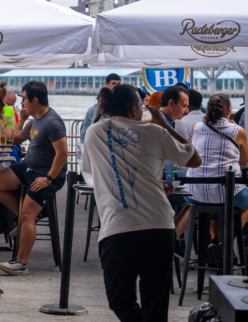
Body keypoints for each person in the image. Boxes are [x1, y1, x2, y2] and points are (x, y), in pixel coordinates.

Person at [82, 84, 201, 322]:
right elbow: (194, 159)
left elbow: (92, 173)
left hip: (118, 227)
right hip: (158, 225)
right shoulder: (156, 132)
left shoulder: (93, 132)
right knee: (155, 304)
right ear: (135, 109)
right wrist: (165, 126)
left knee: (119, 301)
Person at [0, 81, 68, 276]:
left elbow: (63, 154)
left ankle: (21, 262)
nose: (21, 103)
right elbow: (15, 139)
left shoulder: (52, 122)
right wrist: (22, 120)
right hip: (28, 166)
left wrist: (48, 179)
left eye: (23, 99)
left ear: (34, 99)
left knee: (27, 215)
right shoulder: (34, 119)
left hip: (46, 173)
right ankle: (25, 221)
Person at [174, 94, 248, 261]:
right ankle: (226, 242)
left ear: (207, 110)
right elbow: (245, 160)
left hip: (196, 193)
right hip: (226, 193)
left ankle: (214, 241)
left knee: (214, 202)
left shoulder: (197, 127)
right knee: (246, 203)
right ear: (229, 111)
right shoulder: (238, 130)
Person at [80, 74, 121, 145]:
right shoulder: (95, 108)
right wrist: (84, 146)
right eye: (113, 83)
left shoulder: (121, 104)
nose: (116, 86)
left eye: (118, 84)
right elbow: (86, 128)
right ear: (107, 84)